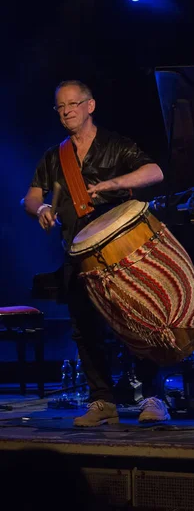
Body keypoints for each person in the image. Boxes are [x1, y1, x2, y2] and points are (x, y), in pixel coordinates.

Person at [23, 79, 171, 426]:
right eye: (60, 107)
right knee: (85, 329)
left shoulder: (116, 145)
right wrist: (41, 208)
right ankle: (102, 400)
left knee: (138, 322)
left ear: (90, 105)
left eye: (73, 104)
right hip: (77, 252)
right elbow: (29, 197)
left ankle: (154, 397)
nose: (66, 111)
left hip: (122, 252)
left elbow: (155, 171)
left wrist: (117, 183)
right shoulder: (54, 156)